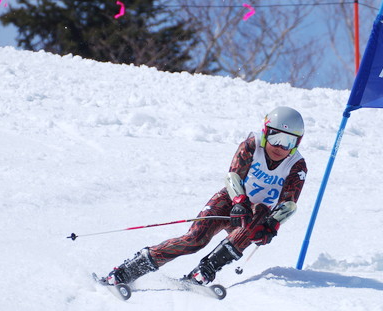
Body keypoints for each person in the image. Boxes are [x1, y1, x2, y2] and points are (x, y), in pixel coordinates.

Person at [103, 106, 308, 286]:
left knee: (258, 218)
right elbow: (233, 175)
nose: (280, 147)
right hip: (232, 200)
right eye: (275, 138)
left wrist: (272, 225)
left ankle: (205, 271)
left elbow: (288, 204)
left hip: (256, 213)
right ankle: (128, 270)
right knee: (195, 240)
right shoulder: (252, 145)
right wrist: (239, 201)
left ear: (297, 143)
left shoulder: (297, 165)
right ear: (265, 133)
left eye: (288, 141)